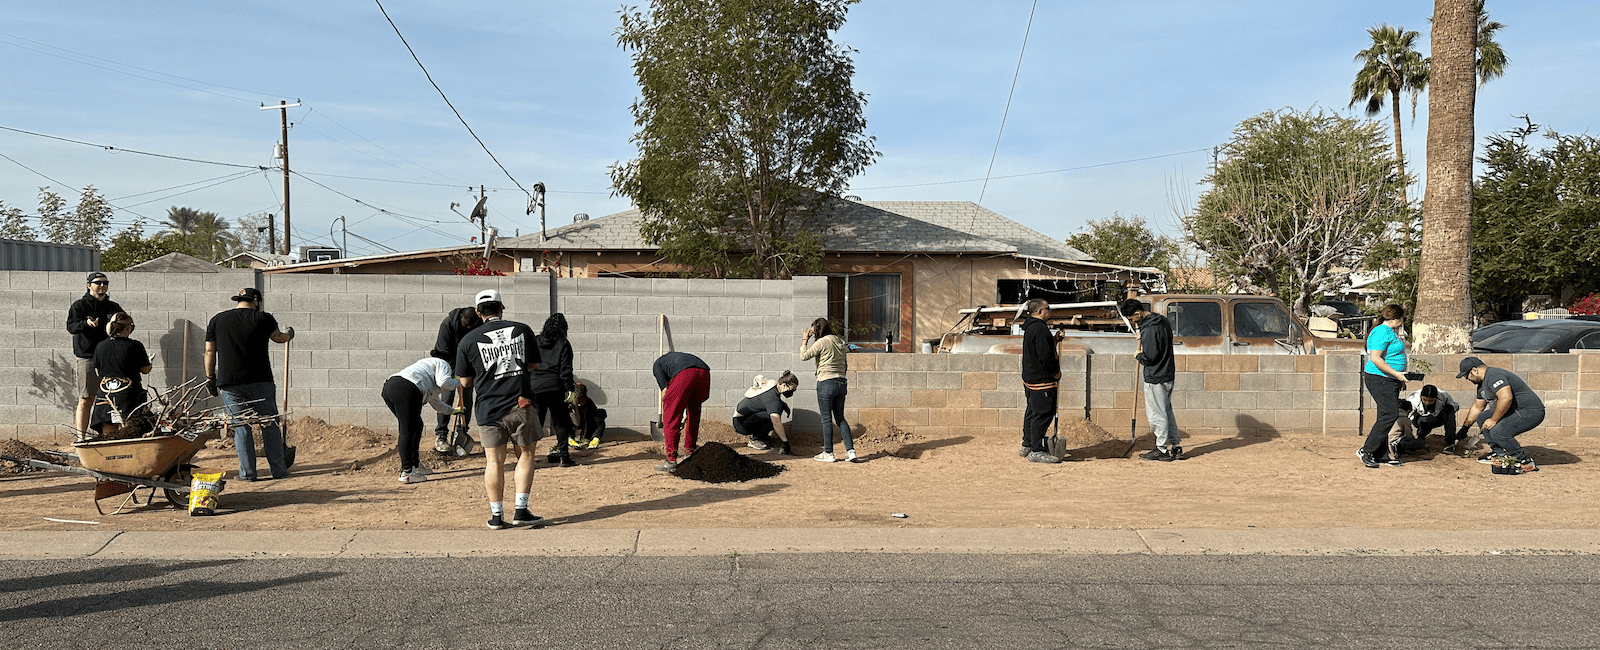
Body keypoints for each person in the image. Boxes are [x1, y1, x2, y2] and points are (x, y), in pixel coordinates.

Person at [454, 289, 544, 530]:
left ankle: (496, 516)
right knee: (525, 455)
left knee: (493, 461)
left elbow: (465, 382)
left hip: (488, 408)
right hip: (520, 404)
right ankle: (521, 511)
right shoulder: (522, 330)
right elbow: (534, 364)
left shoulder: (467, 340)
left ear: (478, 312)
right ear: (501, 307)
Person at [205, 287, 295, 482]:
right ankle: (278, 471)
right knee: (269, 425)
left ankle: (248, 474)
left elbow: (210, 351)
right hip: (261, 381)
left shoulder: (217, 320)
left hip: (230, 384)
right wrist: (289, 334)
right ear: (255, 301)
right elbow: (278, 337)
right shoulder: (263, 318)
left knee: (241, 427)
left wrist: (210, 377)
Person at [382, 352, 463, 484]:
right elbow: (444, 382)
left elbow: (437, 403)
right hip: (407, 388)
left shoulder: (427, 372)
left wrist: (453, 411)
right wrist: (458, 381)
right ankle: (407, 471)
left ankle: (415, 464)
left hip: (390, 387)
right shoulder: (442, 363)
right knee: (408, 429)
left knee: (416, 425)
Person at [1457, 357, 1545, 473]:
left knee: (1498, 431)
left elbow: (1506, 398)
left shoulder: (1494, 376)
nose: (1467, 379)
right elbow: (1478, 407)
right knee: (1483, 417)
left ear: (1474, 370)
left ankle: (1524, 461)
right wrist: (1465, 428)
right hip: (1514, 410)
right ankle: (1499, 454)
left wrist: (1494, 420)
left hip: (1530, 411)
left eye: (1466, 375)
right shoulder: (1482, 384)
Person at [1123, 298, 1183, 462]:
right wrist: (1141, 333)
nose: (1132, 322)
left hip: (1155, 377)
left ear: (1138, 313)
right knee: (1167, 411)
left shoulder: (1149, 329)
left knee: (1157, 415)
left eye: (1132, 319)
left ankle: (1162, 449)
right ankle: (1176, 446)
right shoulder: (1161, 320)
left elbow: (1150, 357)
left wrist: (1139, 355)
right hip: (1168, 374)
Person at [66, 272, 125, 435]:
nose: (102, 286)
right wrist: (85, 323)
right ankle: (81, 437)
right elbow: (71, 327)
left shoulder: (113, 307)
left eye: (105, 283)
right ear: (89, 285)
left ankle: (109, 435)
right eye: (98, 282)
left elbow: (125, 324)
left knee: (112, 398)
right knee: (87, 398)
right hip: (88, 357)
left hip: (110, 358)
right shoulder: (79, 306)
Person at [1357, 304, 1409, 468]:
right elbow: (1375, 358)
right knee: (1390, 414)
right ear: (1396, 318)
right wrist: (1396, 374)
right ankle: (1367, 450)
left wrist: (1399, 377)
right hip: (1380, 379)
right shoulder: (1381, 332)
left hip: (1390, 379)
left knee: (1384, 415)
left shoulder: (1389, 332)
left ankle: (1381, 454)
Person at [87, 312, 153, 439]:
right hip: (129, 397)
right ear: (128, 328)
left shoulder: (100, 346)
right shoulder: (135, 345)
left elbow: (97, 372)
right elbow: (145, 370)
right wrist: (149, 363)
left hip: (105, 396)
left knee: (108, 436)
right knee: (131, 433)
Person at [801, 318, 854, 462]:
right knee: (840, 418)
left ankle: (829, 453)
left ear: (818, 330)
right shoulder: (840, 341)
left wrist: (805, 340)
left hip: (826, 382)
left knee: (826, 419)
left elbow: (804, 356)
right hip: (841, 382)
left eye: (813, 331)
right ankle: (851, 452)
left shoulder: (822, 342)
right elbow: (845, 364)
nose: (813, 334)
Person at [431, 306, 483, 453]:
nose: (468, 328)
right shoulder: (447, 324)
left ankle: (462, 431)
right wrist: (452, 370)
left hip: (468, 366)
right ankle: (441, 434)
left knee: (466, 399)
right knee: (446, 398)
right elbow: (442, 351)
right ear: (460, 319)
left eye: (470, 326)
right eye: (465, 325)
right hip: (448, 363)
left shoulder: (479, 324)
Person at [530, 313, 578, 467]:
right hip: (555, 387)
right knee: (560, 423)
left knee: (535, 424)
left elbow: (526, 365)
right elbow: (566, 369)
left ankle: (528, 459)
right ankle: (564, 457)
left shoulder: (535, 341)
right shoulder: (563, 343)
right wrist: (569, 389)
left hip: (535, 387)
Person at [1018, 299, 1062, 464]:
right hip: (1041, 379)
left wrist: (1054, 340)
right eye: (1048, 308)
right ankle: (1036, 450)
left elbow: (1039, 347)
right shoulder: (1040, 329)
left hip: (1030, 377)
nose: (1050, 311)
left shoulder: (1031, 327)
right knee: (1042, 414)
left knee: (1032, 411)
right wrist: (1055, 373)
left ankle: (1028, 444)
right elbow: (1046, 356)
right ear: (1040, 311)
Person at [652, 351, 710, 471]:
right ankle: (690, 452)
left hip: (685, 374)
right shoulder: (675, 360)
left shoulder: (657, 365)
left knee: (671, 416)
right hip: (704, 373)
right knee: (693, 412)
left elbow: (665, 392)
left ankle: (671, 461)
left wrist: (667, 416)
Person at [733, 372, 796, 457]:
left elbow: (765, 400)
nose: (792, 392)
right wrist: (785, 443)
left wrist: (783, 404)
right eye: (792, 389)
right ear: (784, 385)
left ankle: (761, 436)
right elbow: (776, 422)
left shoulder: (773, 386)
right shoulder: (772, 398)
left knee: (776, 410)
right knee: (773, 417)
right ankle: (755, 440)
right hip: (741, 424)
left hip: (744, 418)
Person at [1407, 384, 1461, 449]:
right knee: (1425, 420)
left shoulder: (1443, 396)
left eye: (1431, 400)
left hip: (1436, 418)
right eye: (1425, 400)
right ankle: (1420, 438)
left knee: (1450, 411)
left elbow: (1456, 405)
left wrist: (1451, 407)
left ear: (1436, 398)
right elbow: (1407, 415)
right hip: (1420, 420)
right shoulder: (1414, 399)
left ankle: (1450, 441)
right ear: (1421, 397)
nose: (1427, 403)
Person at [568, 382, 607, 448]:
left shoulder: (588, 402)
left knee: (600, 416)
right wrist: (575, 408)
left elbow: (589, 419)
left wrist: (585, 437)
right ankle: (569, 439)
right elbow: (575, 421)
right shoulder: (569, 404)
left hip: (586, 425)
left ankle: (595, 439)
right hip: (574, 424)